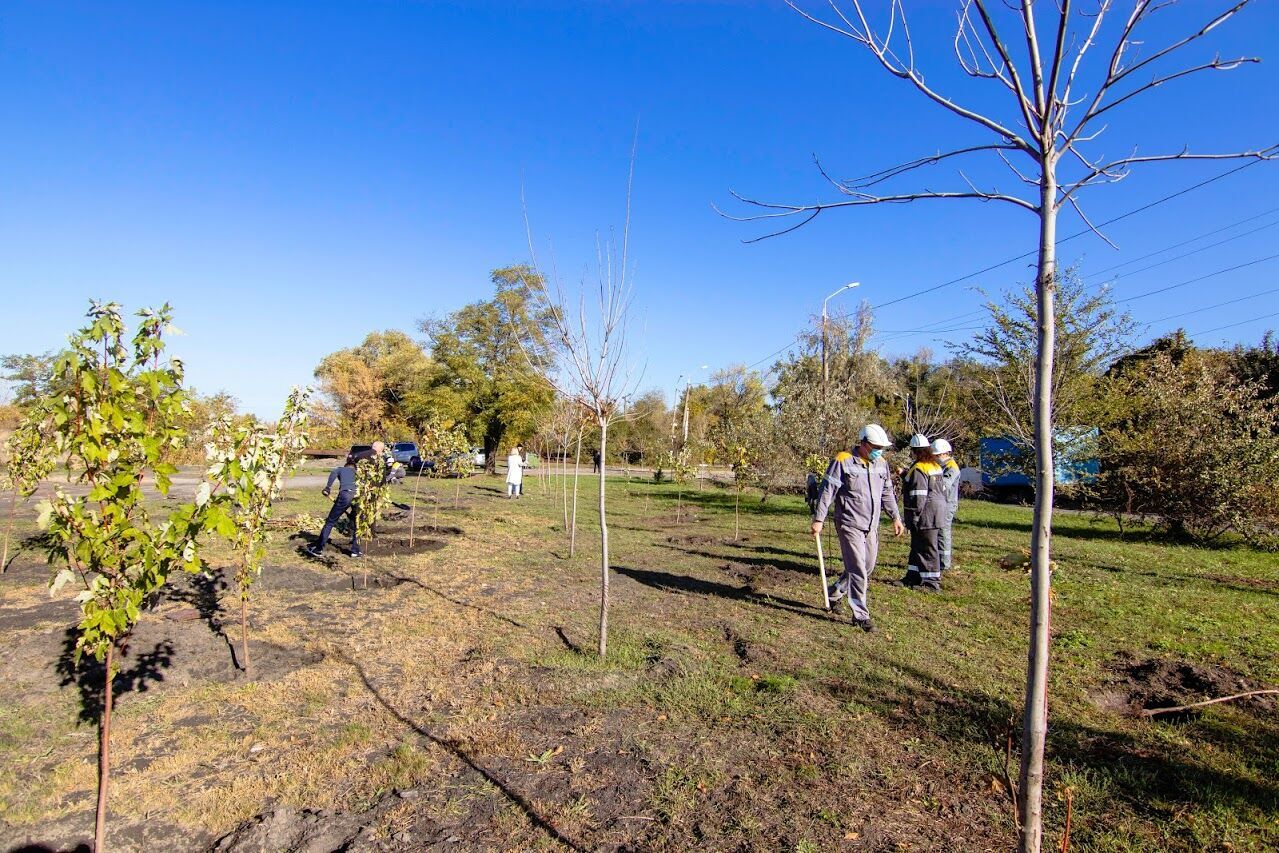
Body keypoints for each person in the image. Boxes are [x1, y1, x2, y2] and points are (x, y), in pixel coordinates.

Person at [810, 424, 905, 632]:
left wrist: (896, 517)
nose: (879, 450)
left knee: (868, 566)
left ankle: (835, 591)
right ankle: (861, 615)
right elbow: (827, 491)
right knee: (858, 569)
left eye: (882, 447)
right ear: (863, 444)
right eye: (875, 446)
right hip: (849, 523)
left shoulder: (881, 464)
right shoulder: (843, 461)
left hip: (871, 525)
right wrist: (819, 519)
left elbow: (887, 493)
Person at [899, 434, 946, 591]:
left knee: (927, 547)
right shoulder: (934, 466)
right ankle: (913, 576)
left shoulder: (919, 468)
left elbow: (919, 495)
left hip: (926, 514)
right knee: (917, 545)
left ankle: (931, 582)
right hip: (937, 512)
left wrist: (914, 516)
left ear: (914, 451)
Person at [307, 458, 362, 558]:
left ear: (346, 466)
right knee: (356, 523)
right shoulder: (358, 473)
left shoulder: (341, 469)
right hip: (358, 497)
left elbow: (333, 473)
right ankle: (355, 551)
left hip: (345, 495)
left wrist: (328, 487)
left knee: (330, 522)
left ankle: (318, 549)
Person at [932, 438, 960, 574]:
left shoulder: (952, 468)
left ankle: (944, 563)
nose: (935, 458)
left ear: (945, 454)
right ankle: (939, 560)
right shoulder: (942, 466)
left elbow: (945, 484)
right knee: (938, 533)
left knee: (943, 533)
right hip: (941, 503)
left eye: (937, 455)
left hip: (948, 504)